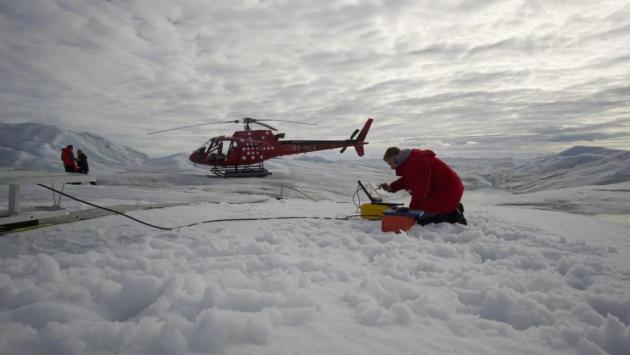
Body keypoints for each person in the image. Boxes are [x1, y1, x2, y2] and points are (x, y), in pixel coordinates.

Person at [379, 146, 467, 225]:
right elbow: (408, 179)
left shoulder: (415, 163)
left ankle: (454, 216)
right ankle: (452, 209)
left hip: (447, 193)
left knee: (420, 219)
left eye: (390, 163)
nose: (391, 167)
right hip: (447, 191)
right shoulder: (411, 160)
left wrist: (411, 212)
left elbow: (421, 192)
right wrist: (391, 187)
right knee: (418, 211)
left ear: (396, 158)